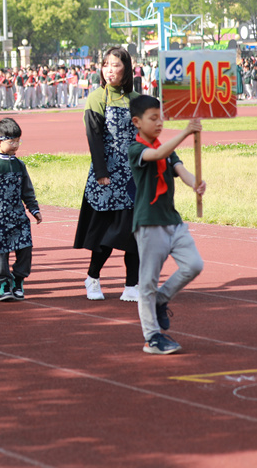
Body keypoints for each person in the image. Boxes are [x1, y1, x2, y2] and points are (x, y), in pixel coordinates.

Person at [128, 95, 205, 355]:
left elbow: (181, 170)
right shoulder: (136, 150)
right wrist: (186, 130)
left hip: (172, 220)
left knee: (194, 264)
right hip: (149, 223)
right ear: (137, 122)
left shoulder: (168, 148)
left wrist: (196, 183)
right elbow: (159, 154)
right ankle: (152, 337)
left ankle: (162, 299)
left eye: (161, 117)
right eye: (153, 118)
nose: (159, 122)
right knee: (147, 282)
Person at [73, 47, 141, 302]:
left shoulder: (137, 99)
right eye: (105, 65)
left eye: (115, 65)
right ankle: (92, 277)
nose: (109, 69)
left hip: (133, 177)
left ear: (127, 70)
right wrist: (102, 172)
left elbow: (146, 136)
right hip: (106, 177)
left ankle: (132, 284)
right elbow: (94, 138)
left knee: (135, 232)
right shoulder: (96, 98)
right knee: (106, 235)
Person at [0, 117, 42, 302]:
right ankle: (3, 285)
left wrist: (34, 209)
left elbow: (27, 190)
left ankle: (18, 280)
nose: (15, 144)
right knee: (1, 253)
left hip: (19, 217)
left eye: (18, 140)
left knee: (25, 249)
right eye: (11, 141)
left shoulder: (20, 165)